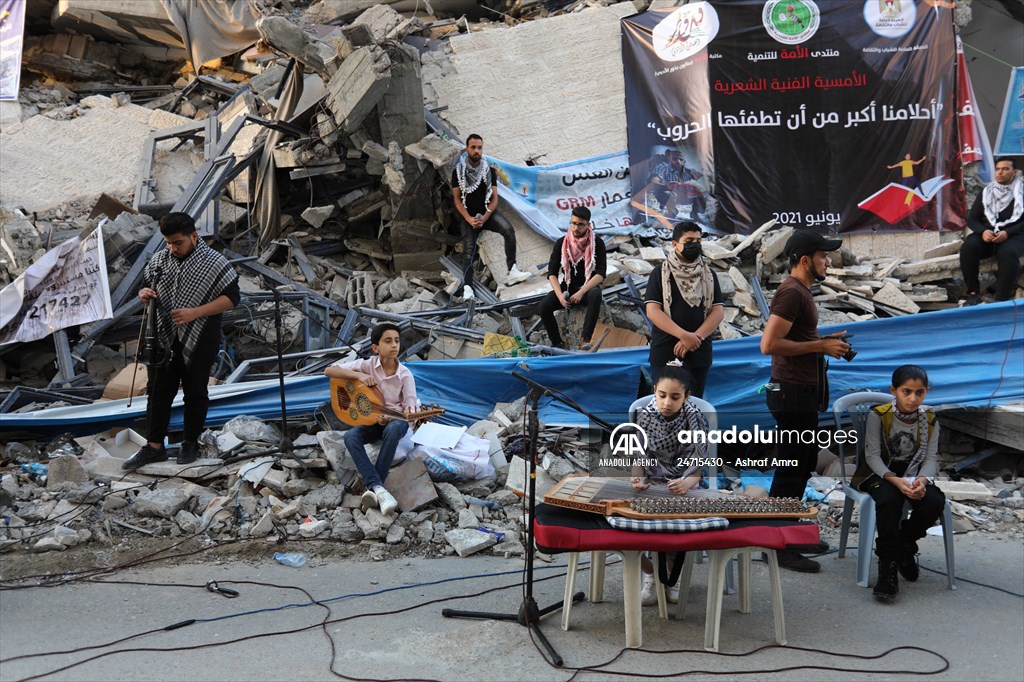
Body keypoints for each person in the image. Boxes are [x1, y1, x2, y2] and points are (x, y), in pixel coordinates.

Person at [759, 229, 851, 572]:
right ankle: (777, 544)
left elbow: (795, 337)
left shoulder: (802, 292)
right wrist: (819, 346)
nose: (827, 261)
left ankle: (791, 531)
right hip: (790, 392)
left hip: (801, 391)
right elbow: (768, 344)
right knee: (791, 467)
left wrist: (825, 341)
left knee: (803, 461)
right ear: (804, 260)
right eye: (823, 256)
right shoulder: (791, 293)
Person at [122, 213, 240, 470]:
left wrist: (195, 312)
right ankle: (154, 447)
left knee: (195, 392)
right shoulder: (160, 260)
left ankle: (190, 443)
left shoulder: (214, 262)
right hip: (162, 335)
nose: (172, 248)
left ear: (194, 237)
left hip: (201, 335)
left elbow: (232, 298)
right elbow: (146, 286)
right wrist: (144, 294)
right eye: (168, 243)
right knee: (158, 392)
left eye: (178, 243)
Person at [854, 365, 946, 603]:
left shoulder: (930, 418)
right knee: (889, 500)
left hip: (915, 474)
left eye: (920, 392)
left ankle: (904, 544)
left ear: (927, 392)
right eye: (906, 392)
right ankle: (888, 567)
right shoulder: (879, 415)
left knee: (934, 501)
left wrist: (921, 481)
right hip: (881, 474)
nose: (913, 399)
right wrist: (895, 480)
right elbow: (872, 456)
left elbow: (931, 458)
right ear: (893, 390)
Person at [630, 363, 707, 605]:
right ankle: (652, 573)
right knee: (624, 531)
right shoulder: (644, 416)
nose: (666, 403)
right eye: (662, 395)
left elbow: (698, 469)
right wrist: (638, 478)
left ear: (687, 396)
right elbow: (637, 458)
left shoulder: (695, 420)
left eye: (675, 397)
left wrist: (685, 483)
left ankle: (674, 575)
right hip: (651, 485)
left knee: (674, 531)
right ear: (654, 391)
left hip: (682, 488)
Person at [325, 323, 418, 516]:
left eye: (397, 341)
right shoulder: (367, 365)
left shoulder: (405, 375)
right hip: (372, 421)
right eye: (388, 341)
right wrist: (358, 375)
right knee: (351, 436)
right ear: (376, 348)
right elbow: (329, 371)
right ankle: (379, 489)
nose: (394, 345)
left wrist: (400, 417)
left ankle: (375, 486)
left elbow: (410, 410)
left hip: (396, 420)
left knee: (393, 430)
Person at [644, 221, 724, 398]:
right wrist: (683, 335)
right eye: (689, 240)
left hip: (698, 352)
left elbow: (717, 311)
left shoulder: (709, 274)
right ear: (675, 244)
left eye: (698, 240)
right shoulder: (660, 273)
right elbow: (653, 311)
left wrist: (696, 338)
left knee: (693, 406)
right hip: (666, 350)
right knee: (664, 406)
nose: (694, 245)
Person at [451, 134, 530, 300]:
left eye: (479, 147)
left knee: (508, 230)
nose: (476, 151)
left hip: (486, 214)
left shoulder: (488, 170)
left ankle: (512, 270)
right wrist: (469, 219)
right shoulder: (458, 172)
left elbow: (494, 198)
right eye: (473, 147)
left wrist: (485, 217)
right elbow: (457, 200)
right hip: (469, 217)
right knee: (469, 251)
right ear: (467, 149)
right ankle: (468, 287)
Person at [537, 206, 606, 349]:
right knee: (544, 306)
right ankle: (558, 343)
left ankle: (585, 340)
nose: (576, 228)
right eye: (573, 223)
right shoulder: (562, 243)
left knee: (596, 294)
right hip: (567, 286)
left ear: (588, 225)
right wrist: (560, 297)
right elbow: (552, 273)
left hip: (587, 287)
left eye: (580, 224)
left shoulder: (597, 243)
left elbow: (600, 273)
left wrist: (581, 292)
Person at [959, 156, 1024, 305]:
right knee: (969, 247)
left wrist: (1008, 232)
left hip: (1014, 235)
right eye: (998, 169)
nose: (1000, 172)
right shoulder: (987, 192)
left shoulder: (1022, 193)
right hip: (988, 234)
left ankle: (1001, 298)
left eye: (1005, 169)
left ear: (1014, 171)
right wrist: (983, 232)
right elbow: (972, 219)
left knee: (1008, 253)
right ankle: (973, 293)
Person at [640, 148, 707, 221]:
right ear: (669, 158)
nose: (678, 161)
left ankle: (696, 214)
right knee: (665, 193)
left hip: (683, 196)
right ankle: (670, 213)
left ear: (684, 161)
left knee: (701, 194)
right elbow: (653, 183)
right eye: (674, 159)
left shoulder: (688, 171)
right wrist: (666, 187)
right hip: (668, 195)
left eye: (680, 159)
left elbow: (704, 182)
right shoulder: (664, 167)